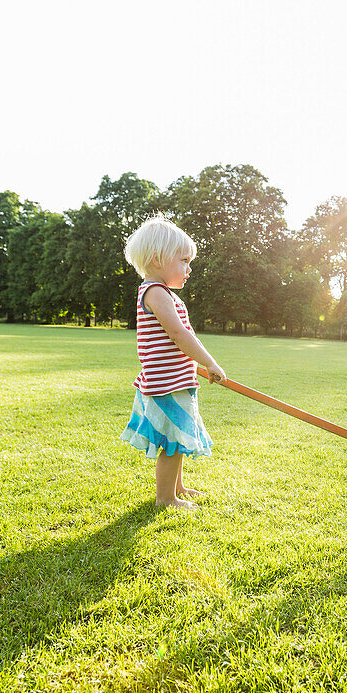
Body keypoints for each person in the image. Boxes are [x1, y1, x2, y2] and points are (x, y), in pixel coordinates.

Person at [120, 215, 226, 509]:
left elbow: (177, 340)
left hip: (176, 379)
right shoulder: (155, 292)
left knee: (177, 437)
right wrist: (211, 362)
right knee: (171, 440)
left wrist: (196, 366)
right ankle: (166, 498)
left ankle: (177, 487)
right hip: (165, 385)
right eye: (183, 261)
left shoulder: (161, 293)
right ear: (157, 259)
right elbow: (180, 334)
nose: (188, 269)